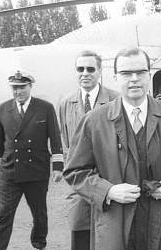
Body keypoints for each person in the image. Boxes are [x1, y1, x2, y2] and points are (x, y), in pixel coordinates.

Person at [63, 47, 161, 250]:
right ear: (115, 77)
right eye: (126, 73)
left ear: (149, 75)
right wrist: (109, 191)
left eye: (140, 72)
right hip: (115, 224)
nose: (134, 79)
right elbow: (75, 171)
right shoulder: (94, 121)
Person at [0, 70, 64, 250]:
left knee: (39, 215)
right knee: (4, 216)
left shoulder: (45, 108)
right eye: (14, 88)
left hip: (36, 172)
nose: (18, 92)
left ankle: (39, 244)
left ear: (30, 86)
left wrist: (58, 167)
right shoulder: (3, 109)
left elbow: (55, 138)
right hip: (10, 172)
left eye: (22, 87)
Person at [59, 50, 119, 250]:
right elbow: (67, 143)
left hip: (109, 183)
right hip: (80, 186)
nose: (85, 73)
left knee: (109, 238)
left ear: (100, 71)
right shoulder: (66, 103)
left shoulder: (115, 99)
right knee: (80, 234)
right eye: (80, 69)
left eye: (90, 69)